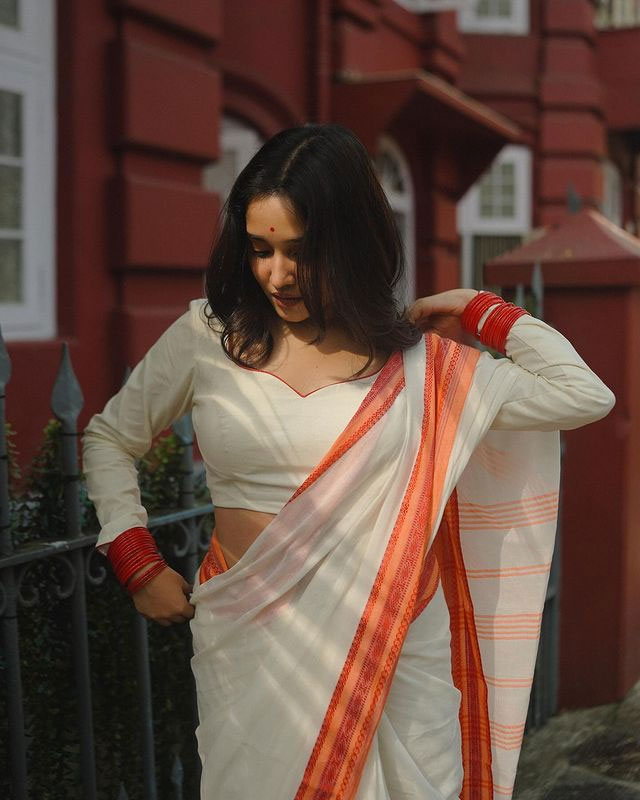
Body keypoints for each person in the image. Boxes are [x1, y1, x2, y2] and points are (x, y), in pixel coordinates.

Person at [82, 123, 615, 800]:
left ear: (352, 245)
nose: (276, 276)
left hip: (396, 642)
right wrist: (134, 557)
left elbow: (584, 395)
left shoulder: (422, 369)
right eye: (260, 250)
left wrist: (477, 308)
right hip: (251, 637)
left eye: (301, 253)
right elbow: (110, 438)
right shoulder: (205, 337)